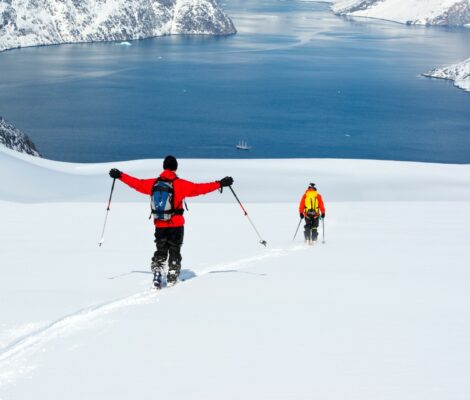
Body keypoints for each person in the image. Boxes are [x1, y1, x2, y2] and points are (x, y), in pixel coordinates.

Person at [109, 155, 233, 289]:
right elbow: (200, 188)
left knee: (160, 250)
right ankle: (172, 275)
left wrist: (120, 175)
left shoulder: (153, 183)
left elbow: (136, 183)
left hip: (160, 224)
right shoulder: (181, 184)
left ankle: (157, 271)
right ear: (176, 167)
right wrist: (220, 183)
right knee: (174, 250)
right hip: (176, 224)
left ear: (164, 167)